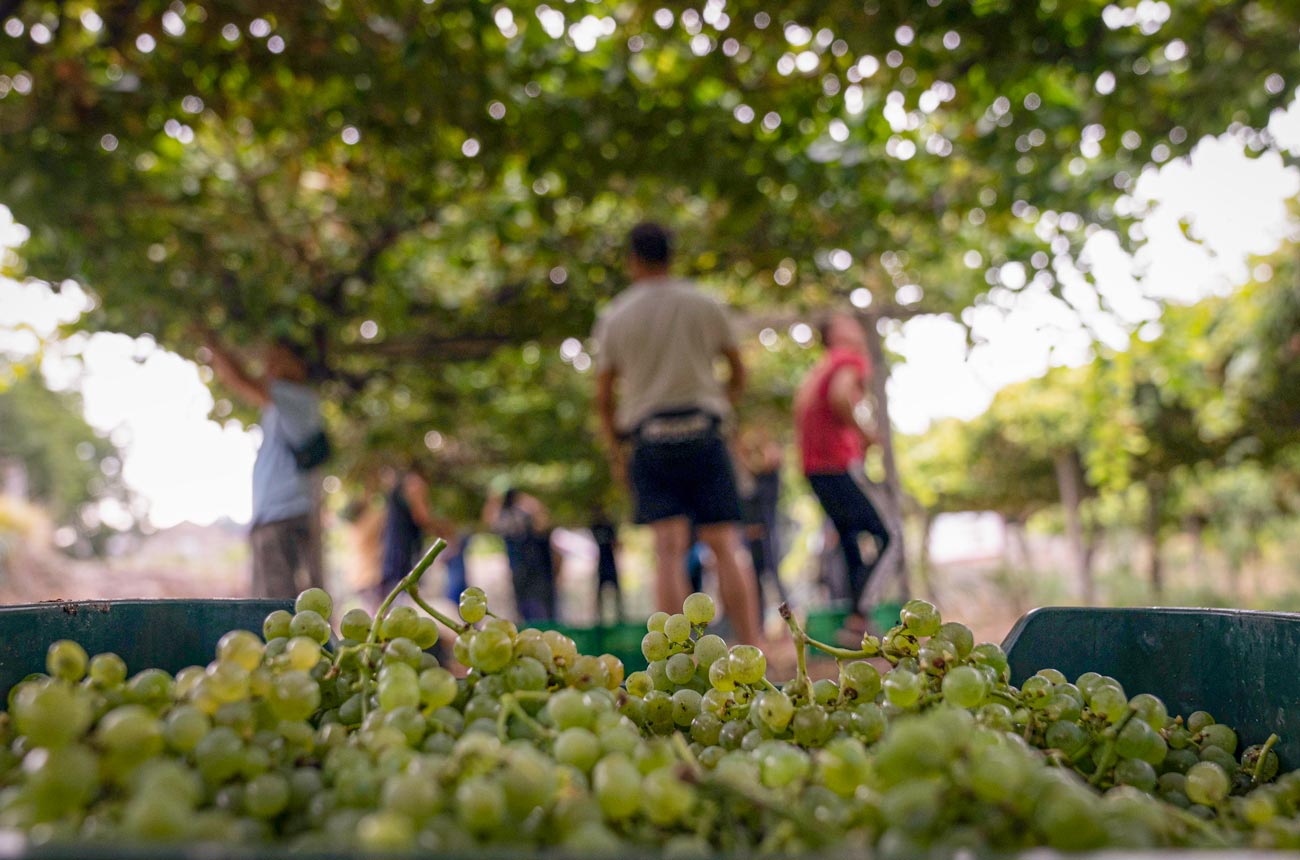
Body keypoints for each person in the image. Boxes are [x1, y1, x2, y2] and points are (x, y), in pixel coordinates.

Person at [592, 221, 761, 645]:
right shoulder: (703, 303)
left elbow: (604, 397)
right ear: (672, 255)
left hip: (650, 439)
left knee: (668, 550)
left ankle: (676, 658)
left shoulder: (617, 314)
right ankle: (754, 647)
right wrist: (723, 403)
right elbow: (738, 369)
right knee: (724, 543)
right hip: (705, 431)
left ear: (632, 260)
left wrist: (617, 452)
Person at [205, 333, 326, 599]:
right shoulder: (286, 404)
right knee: (278, 605)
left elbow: (240, 379)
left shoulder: (295, 397)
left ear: (300, 365)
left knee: (277, 606)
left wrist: (211, 342)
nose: (269, 366)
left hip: (283, 515)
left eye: (278, 359)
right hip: (276, 514)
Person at [794, 312, 890, 638]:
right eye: (847, 322)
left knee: (850, 541)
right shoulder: (848, 358)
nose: (855, 327)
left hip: (815, 467)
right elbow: (839, 396)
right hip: (834, 464)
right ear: (835, 334)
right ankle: (860, 616)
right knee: (886, 536)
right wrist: (865, 434)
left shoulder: (820, 367)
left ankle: (855, 626)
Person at [738, 426, 788, 627]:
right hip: (752, 538)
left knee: (775, 579)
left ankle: (789, 623)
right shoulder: (752, 479)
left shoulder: (770, 477)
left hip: (767, 535)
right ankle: (757, 625)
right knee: (756, 583)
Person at [483, 486, 556, 622]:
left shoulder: (516, 516)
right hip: (523, 567)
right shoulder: (515, 516)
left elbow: (542, 523)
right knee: (527, 603)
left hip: (533, 567)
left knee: (538, 603)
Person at [378, 464, 453, 596]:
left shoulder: (399, 487)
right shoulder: (415, 483)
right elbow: (422, 518)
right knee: (403, 598)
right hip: (405, 554)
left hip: (393, 553)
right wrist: (446, 530)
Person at [589, 508, 623, 623]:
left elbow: (616, 544)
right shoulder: (594, 527)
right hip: (602, 565)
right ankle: (598, 618)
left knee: (616, 591)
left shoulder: (610, 527)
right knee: (600, 592)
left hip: (610, 563)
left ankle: (620, 616)